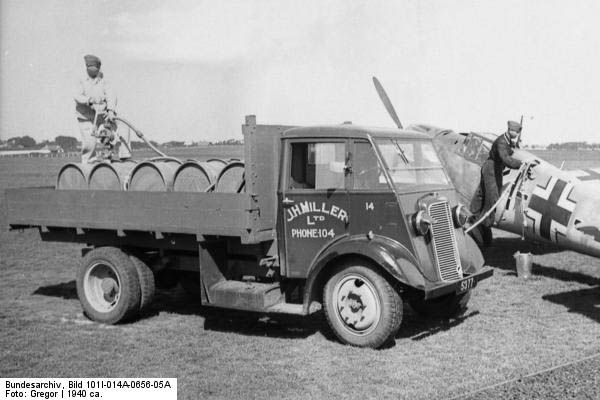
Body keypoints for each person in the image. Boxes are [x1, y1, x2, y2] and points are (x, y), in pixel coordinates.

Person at [474, 120, 523, 227]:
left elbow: (507, 149)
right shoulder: (502, 141)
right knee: (493, 196)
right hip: (492, 168)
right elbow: (505, 159)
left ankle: (475, 215)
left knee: (487, 193)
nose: (517, 134)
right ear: (510, 130)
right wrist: (520, 164)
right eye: (516, 132)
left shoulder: (507, 140)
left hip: (495, 168)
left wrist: (514, 146)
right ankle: (485, 222)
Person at [73, 54, 119, 163]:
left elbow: (111, 95)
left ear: (98, 69)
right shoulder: (80, 80)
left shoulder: (104, 80)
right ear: (87, 68)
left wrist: (111, 110)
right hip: (86, 117)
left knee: (110, 136)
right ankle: (89, 164)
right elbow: (77, 96)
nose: (94, 72)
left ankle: (111, 158)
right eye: (91, 69)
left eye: (96, 70)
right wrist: (88, 101)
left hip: (102, 116)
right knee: (90, 144)